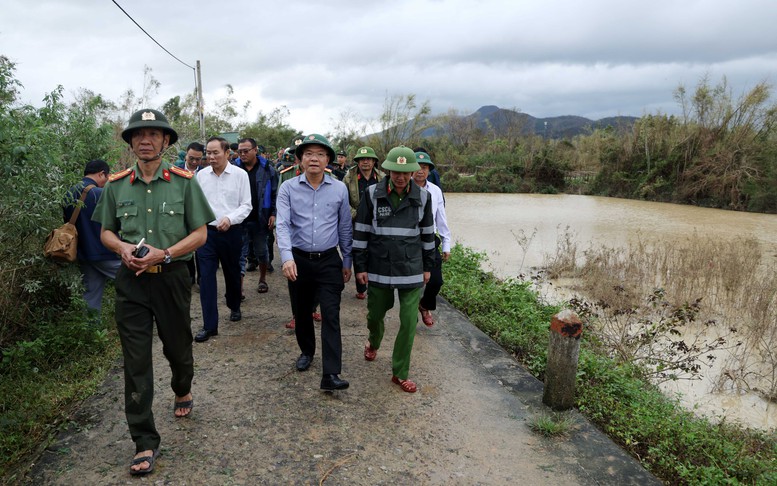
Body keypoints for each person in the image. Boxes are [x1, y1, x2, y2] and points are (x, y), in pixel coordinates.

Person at [92, 108, 214, 475]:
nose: (145, 140)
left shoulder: (184, 181)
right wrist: (122, 249)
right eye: (138, 135)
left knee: (177, 348)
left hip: (172, 277)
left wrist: (168, 252)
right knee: (136, 361)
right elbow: (106, 232)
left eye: (153, 135)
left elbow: (201, 233)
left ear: (164, 141)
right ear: (131, 143)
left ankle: (182, 387)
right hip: (131, 282)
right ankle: (144, 440)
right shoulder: (115, 185)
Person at [353, 146, 435, 394]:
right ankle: (374, 341)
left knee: (409, 321)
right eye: (395, 172)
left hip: (411, 267)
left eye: (406, 172)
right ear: (387, 170)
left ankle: (400, 373)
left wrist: (428, 266)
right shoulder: (371, 194)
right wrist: (360, 266)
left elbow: (428, 234)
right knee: (376, 314)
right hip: (379, 266)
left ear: (413, 172)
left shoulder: (423, 197)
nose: (400, 177)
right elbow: (362, 232)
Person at [276, 133, 352, 391]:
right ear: (300, 160)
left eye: (320, 154)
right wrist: (286, 258)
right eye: (308, 154)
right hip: (298, 259)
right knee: (302, 311)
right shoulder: (287, 188)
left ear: (328, 160)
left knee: (331, 314)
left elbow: (344, 227)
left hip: (329, 259)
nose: (314, 159)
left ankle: (330, 374)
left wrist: (347, 259)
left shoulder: (339, 189)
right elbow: (283, 225)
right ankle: (306, 351)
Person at [194, 136, 252, 342]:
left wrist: (230, 218)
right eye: (208, 153)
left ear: (227, 153)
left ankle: (234, 304)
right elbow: (196, 204)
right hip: (206, 234)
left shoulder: (239, 175)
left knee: (232, 272)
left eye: (215, 152)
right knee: (206, 278)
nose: (210, 157)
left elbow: (246, 205)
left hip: (231, 232)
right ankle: (210, 326)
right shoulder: (200, 176)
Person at [64, 159, 121, 314]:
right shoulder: (99, 194)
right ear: (102, 174)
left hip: (83, 253)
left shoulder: (69, 192)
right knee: (136, 280)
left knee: (90, 297)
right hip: (105, 253)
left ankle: (89, 333)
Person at [412, 151, 451, 326]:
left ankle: (425, 305)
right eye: (417, 167)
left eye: (425, 167)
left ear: (429, 171)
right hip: (409, 241)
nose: (420, 170)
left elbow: (441, 218)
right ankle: (409, 314)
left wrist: (446, 244)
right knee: (412, 282)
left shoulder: (435, 191)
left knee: (436, 281)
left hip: (429, 240)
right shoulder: (403, 187)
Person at [342, 146, 385, 299]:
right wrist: (356, 214)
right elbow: (342, 199)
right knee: (358, 249)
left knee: (374, 250)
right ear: (358, 162)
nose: (365, 162)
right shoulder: (349, 177)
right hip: (355, 220)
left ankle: (373, 283)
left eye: (368, 159)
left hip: (376, 221)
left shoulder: (382, 177)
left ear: (374, 161)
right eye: (362, 159)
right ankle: (361, 285)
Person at [236, 137, 277, 294]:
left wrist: (273, 213)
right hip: (240, 220)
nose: (243, 154)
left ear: (255, 150)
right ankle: (239, 290)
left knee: (262, 251)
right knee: (240, 255)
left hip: (261, 219)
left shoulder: (268, 169)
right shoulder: (234, 168)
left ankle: (262, 279)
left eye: (246, 151)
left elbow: (274, 193)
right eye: (240, 151)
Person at [182, 142, 206, 286]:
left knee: (201, 247)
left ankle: (201, 279)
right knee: (186, 246)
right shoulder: (174, 171)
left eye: (198, 159)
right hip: (181, 215)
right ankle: (189, 276)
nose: (194, 162)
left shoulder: (205, 172)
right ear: (186, 154)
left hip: (200, 215)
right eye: (191, 158)